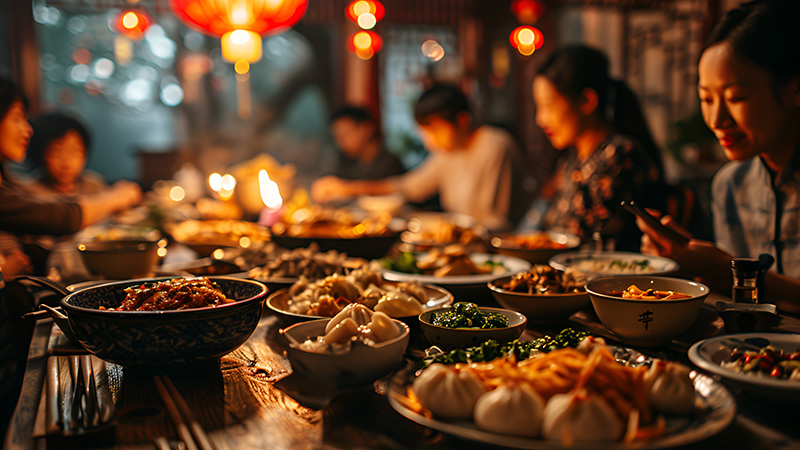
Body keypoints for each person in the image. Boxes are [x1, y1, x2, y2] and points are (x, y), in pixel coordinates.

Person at [636, 0, 800, 311]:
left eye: (736, 97)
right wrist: (689, 259)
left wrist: (735, 271)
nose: (716, 119)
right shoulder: (731, 185)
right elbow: (741, 305)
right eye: (706, 98)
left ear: (796, 88)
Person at [312, 85, 528, 230]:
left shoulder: (494, 145)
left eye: (434, 131)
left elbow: (493, 222)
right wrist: (346, 188)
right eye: (425, 133)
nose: (429, 142)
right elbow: (408, 186)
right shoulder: (449, 152)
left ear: (462, 121)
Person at [0, 77, 142, 277]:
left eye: (75, 152)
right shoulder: (24, 190)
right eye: (16, 118)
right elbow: (61, 217)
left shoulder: (92, 183)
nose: (27, 129)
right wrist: (118, 196)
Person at [531, 45, 665, 252]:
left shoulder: (620, 156)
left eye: (548, 106)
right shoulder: (572, 159)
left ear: (587, 101)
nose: (540, 119)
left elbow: (595, 248)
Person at [24, 112, 107, 196]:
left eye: (74, 151)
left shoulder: (94, 186)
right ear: (41, 153)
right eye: (57, 152)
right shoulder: (30, 192)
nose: (66, 162)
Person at [328, 106, 404, 180]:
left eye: (346, 134)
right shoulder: (346, 162)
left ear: (367, 128)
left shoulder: (389, 162)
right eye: (337, 137)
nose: (341, 142)